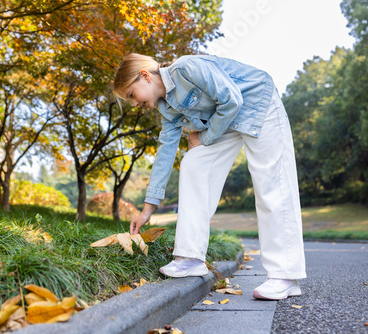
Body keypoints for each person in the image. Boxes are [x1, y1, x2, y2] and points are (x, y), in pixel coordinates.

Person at [112, 53, 306, 300]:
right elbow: (165, 151)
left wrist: (203, 137)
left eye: (131, 95)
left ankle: (285, 275)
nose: (134, 104)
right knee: (194, 163)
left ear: (145, 76)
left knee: (271, 184)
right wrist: (148, 209)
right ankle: (190, 257)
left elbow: (231, 99)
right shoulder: (166, 107)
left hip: (255, 103)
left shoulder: (188, 68)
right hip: (225, 119)